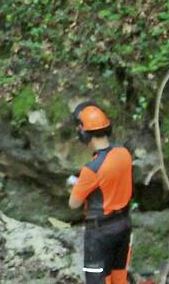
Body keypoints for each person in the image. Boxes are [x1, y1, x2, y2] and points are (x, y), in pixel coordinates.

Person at [68, 101, 133, 284]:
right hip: (123, 225)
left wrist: (76, 185)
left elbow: (73, 203)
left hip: (100, 233)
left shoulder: (92, 169)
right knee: (119, 277)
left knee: (98, 279)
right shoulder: (124, 154)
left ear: (84, 133)